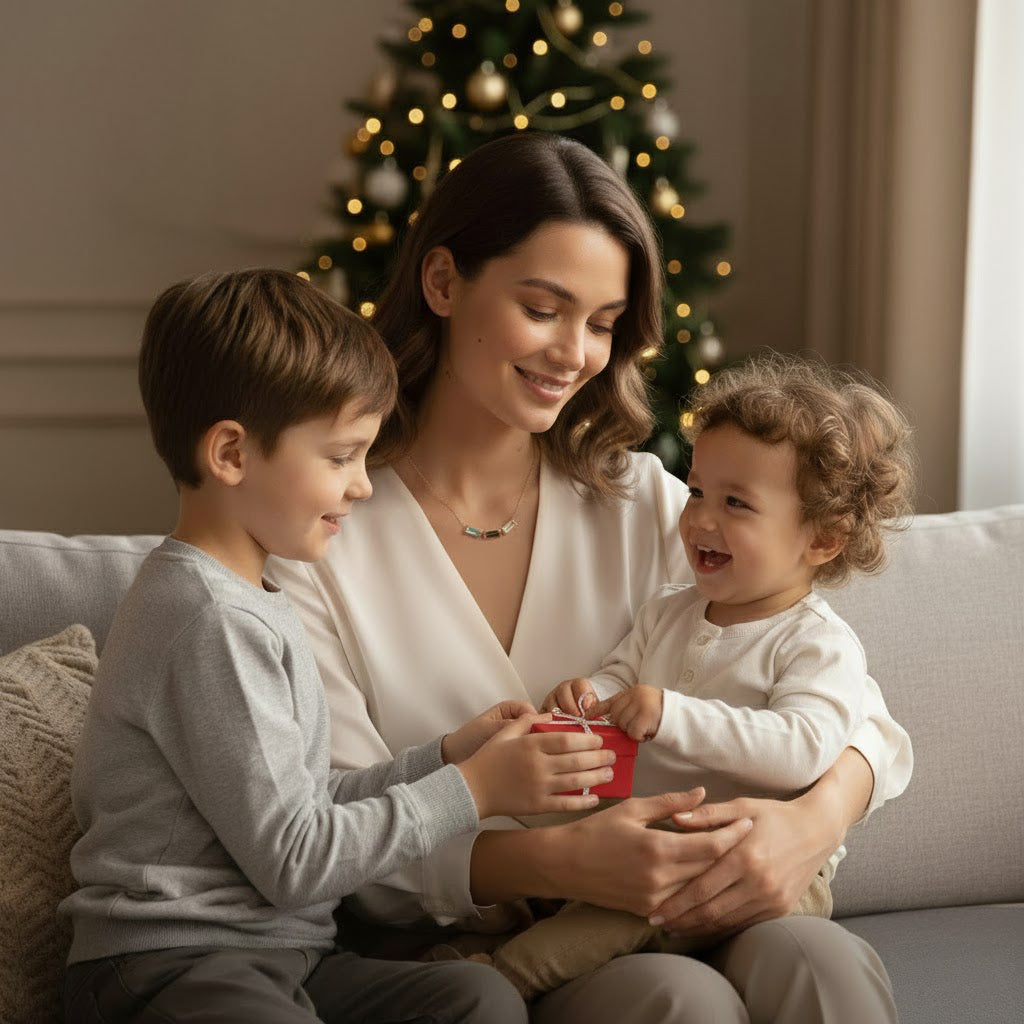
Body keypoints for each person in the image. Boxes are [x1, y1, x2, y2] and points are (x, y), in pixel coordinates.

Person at [268, 134, 912, 1023]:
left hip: (691, 897)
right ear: (445, 282)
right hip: (467, 953)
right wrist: (559, 864)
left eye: (604, 323)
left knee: (815, 958)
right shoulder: (321, 532)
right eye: (544, 308)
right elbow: (329, 829)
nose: (575, 353)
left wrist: (811, 824)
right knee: (673, 999)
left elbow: (855, 711)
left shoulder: (653, 502)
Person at [60, 268, 619, 1024]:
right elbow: (296, 860)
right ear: (231, 454)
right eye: (340, 457)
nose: (362, 486)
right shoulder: (204, 618)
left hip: (286, 957)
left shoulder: (256, 598)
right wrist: (477, 791)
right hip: (170, 964)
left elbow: (305, 804)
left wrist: (448, 756)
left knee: (475, 997)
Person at [477, 354, 916, 998]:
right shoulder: (670, 608)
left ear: (821, 539)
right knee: (599, 924)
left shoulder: (818, 644)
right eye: (699, 490)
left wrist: (672, 714)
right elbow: (621, 673)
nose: (701, 517)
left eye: (736, 503)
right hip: (657, 850)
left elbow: (803, 747)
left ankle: (496, 978)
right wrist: (590, 693)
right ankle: (481, 982)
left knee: (616, 929)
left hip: (766, 866)